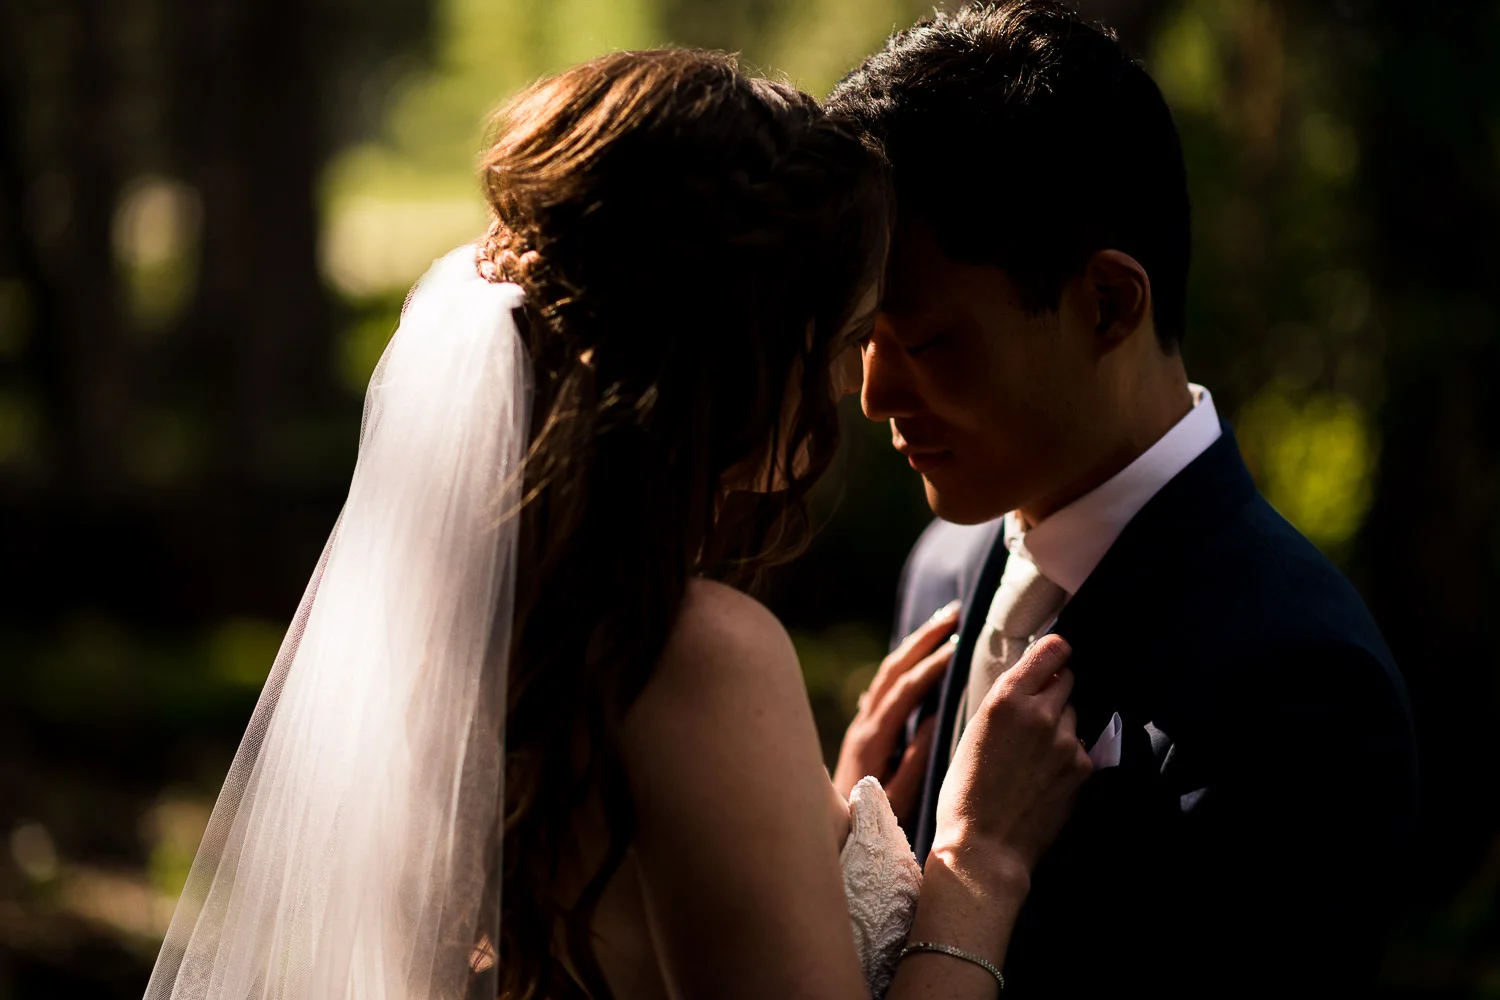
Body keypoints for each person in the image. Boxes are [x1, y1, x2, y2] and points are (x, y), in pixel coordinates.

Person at [144, 49, 1091, 1000]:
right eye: (843, 342)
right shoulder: (696, 657)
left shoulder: (484, 646)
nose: (857, 389)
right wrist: (980, 869)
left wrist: (824, 823)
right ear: (735, 354)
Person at [826, 2, 1420, 996]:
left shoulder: (1305, 679)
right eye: (864, 340)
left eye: (926, 343)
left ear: (1108, 302)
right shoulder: (941, 567)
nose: (874, 393)